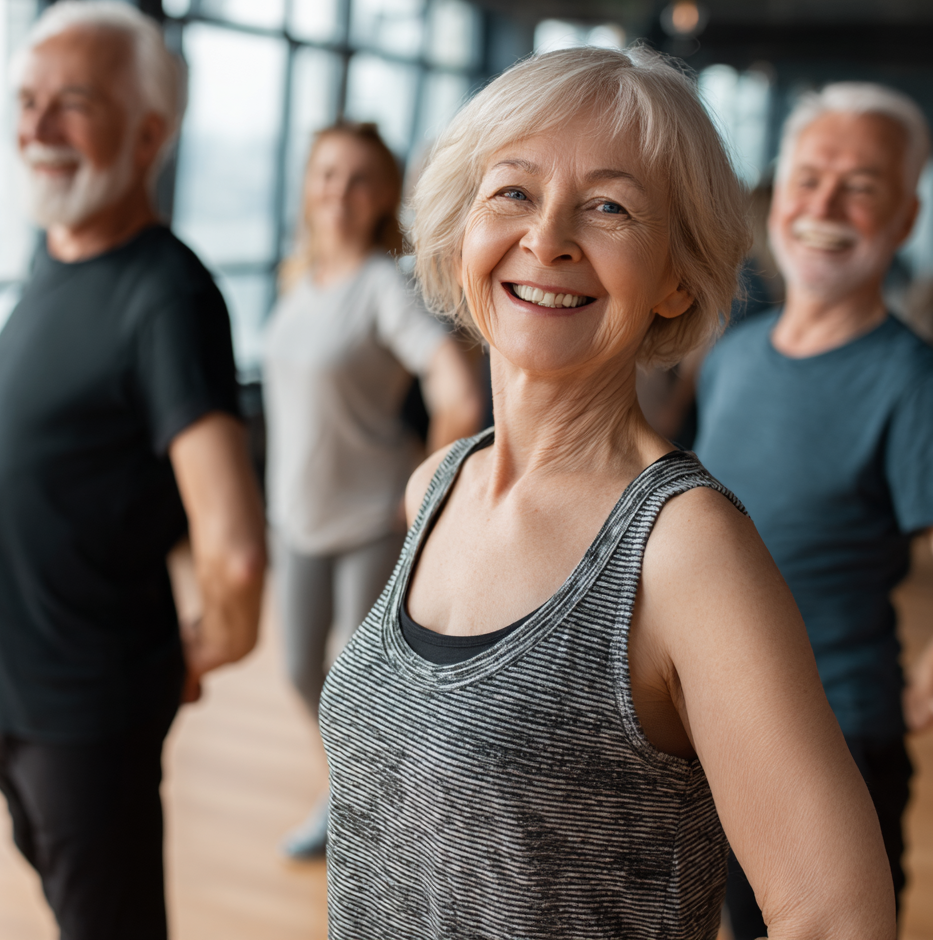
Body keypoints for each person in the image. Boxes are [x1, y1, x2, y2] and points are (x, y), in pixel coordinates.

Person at [318, 46, 895, 940]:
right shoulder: (436, 487)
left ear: (675, 276)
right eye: (511, 192)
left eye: (609, 207)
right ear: (459, 226)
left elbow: (837, 915)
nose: (547, 239)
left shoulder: (684, 550)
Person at [0, 0, 267, 940]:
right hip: (15, 689)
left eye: (72, 103)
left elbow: (237, 551)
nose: (37, 128)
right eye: (27, 100)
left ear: (148, 135)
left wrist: (203, 647)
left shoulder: (166, 295)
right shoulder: (50, 258)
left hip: (88, 705)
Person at [694, 82, 933, 938]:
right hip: (719, 726)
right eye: (807, 178)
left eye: (860, 186)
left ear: (904, 219)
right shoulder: (734, 356)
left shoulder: (910, 380)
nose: (825, 204)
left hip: (840, 730)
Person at [262, 120, 484, 858]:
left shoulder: (384, 286)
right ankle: (352, 790)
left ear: (384, 194)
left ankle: (368, 815)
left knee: (361, 690)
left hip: (367, 517)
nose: (339, 192)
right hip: (296, 516)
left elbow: (456, 393)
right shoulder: (298, 280)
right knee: (301, 670)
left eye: (359, 178)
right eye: (326, 174)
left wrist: (425, 489)